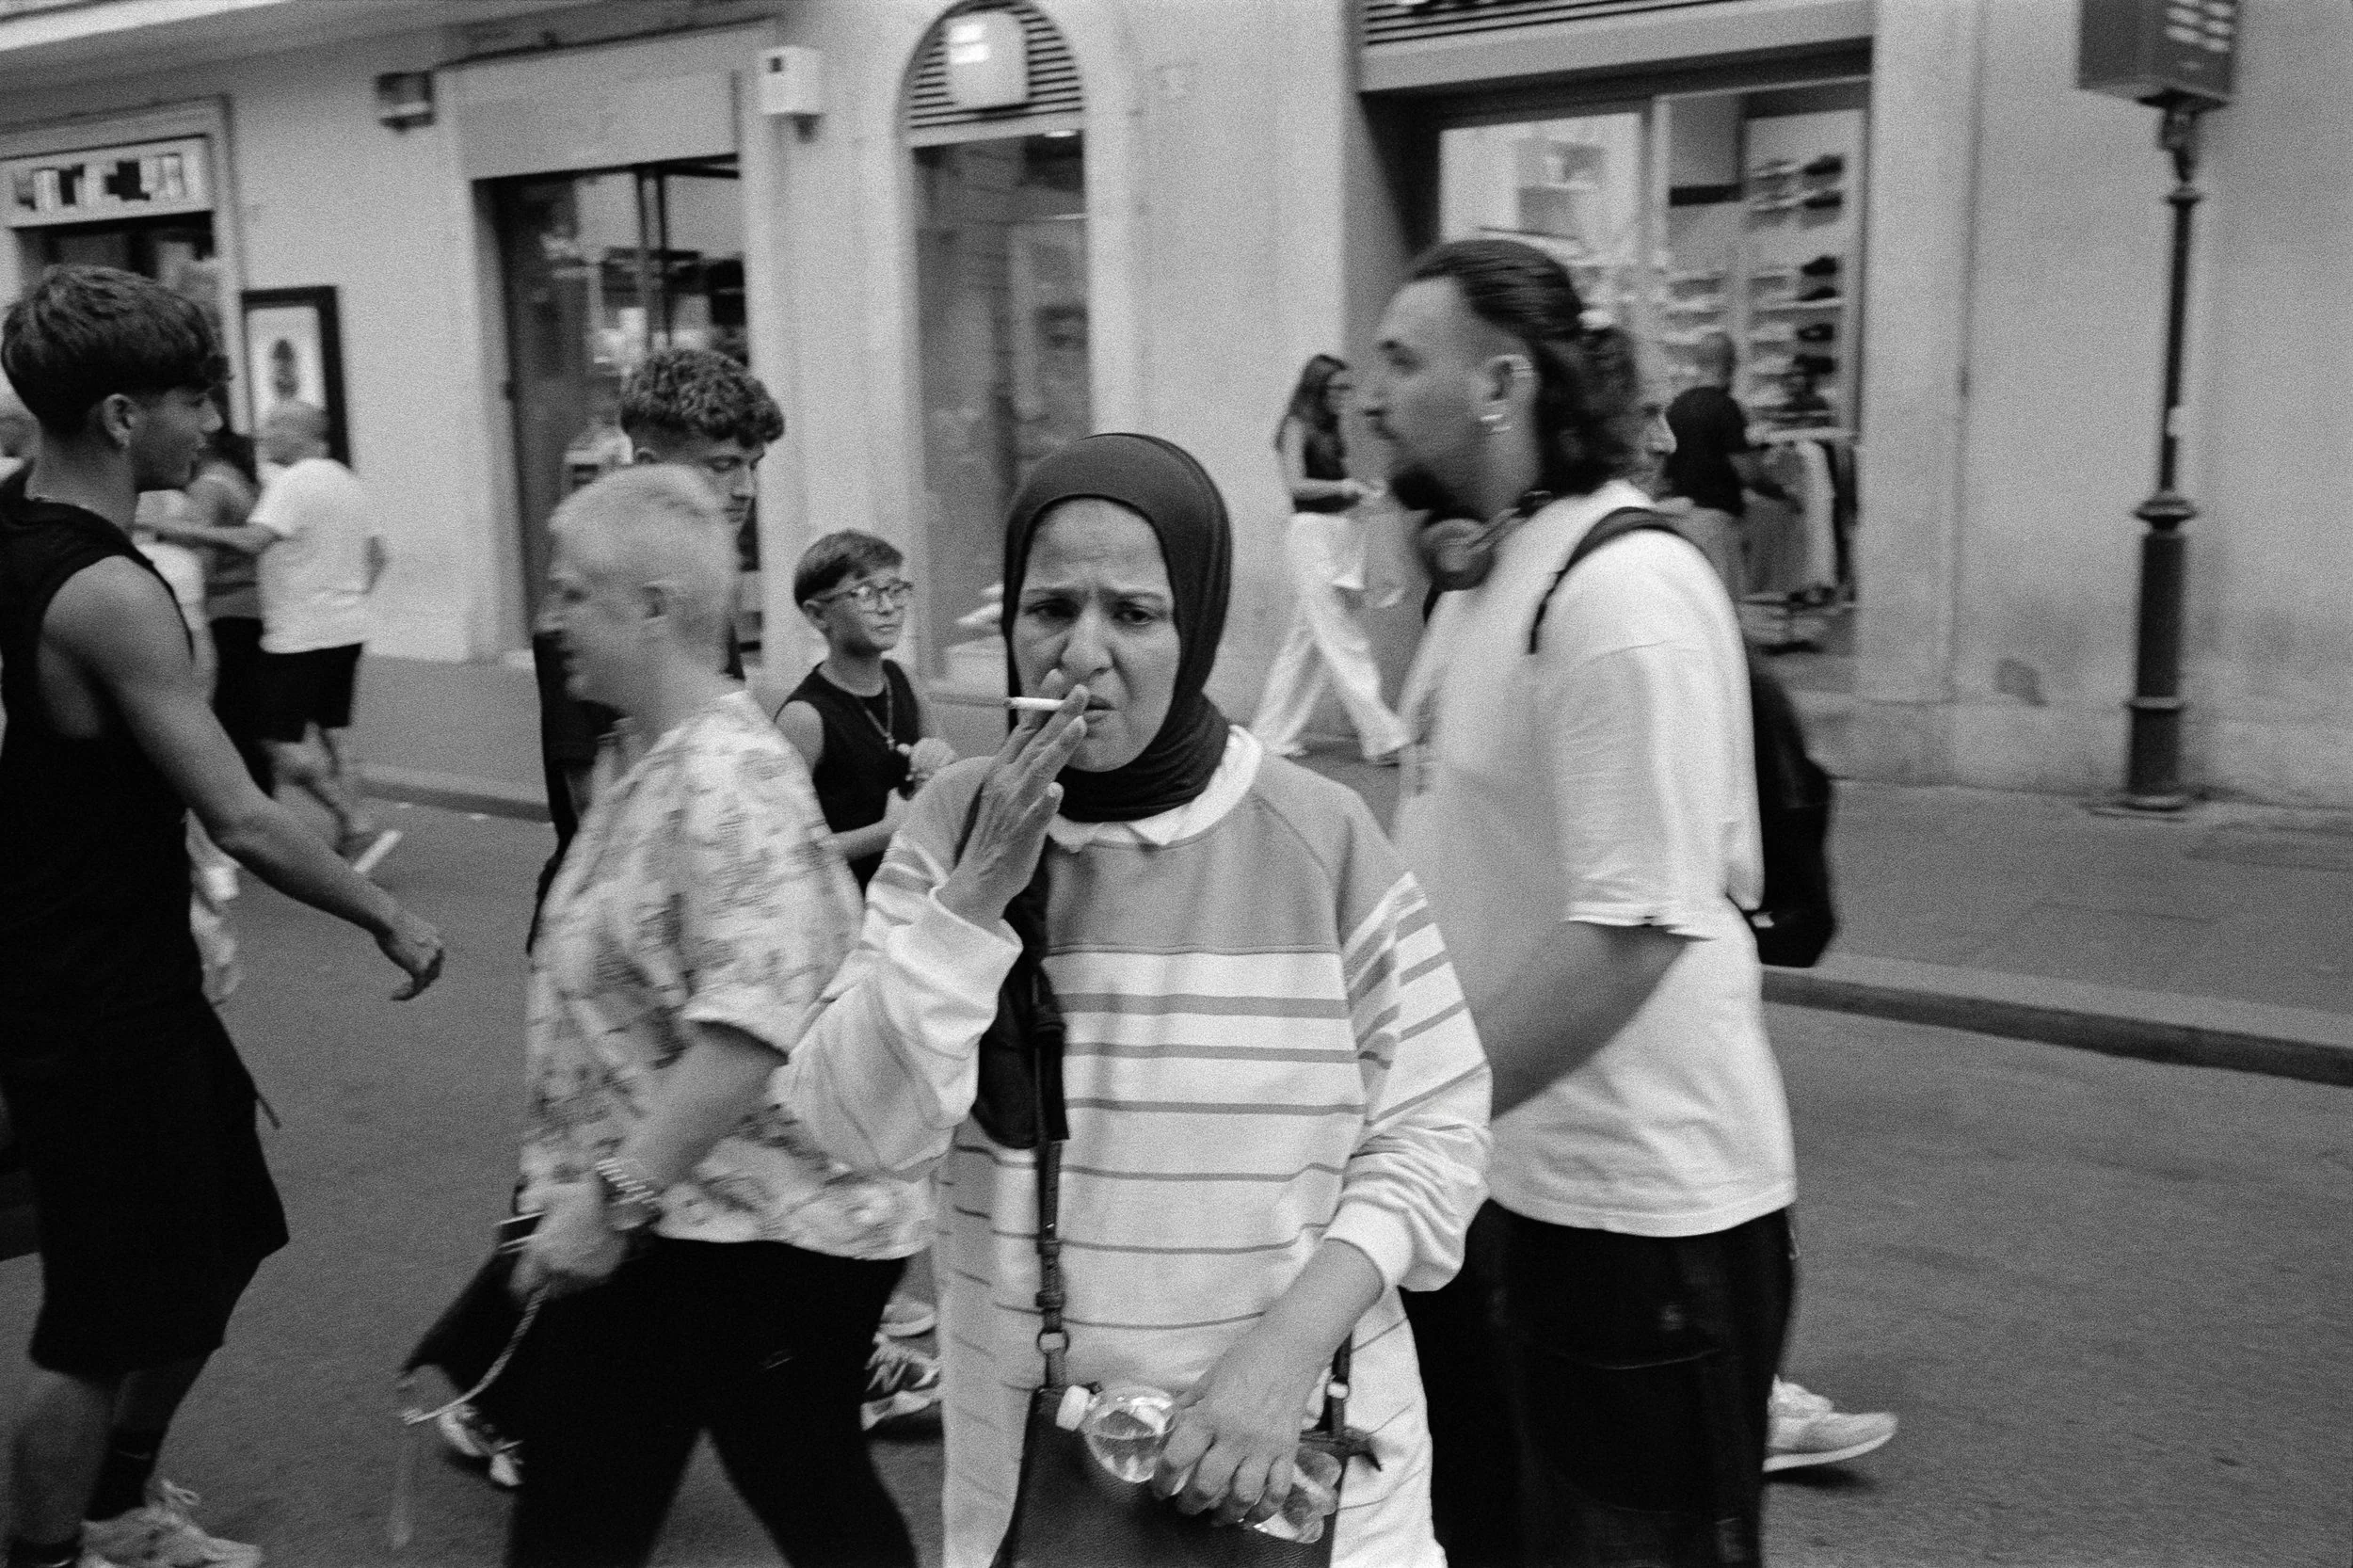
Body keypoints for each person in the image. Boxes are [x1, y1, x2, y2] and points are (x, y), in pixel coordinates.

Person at [774, 432, 1492, 1568]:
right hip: (1041, 1487)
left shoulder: (1318, 837)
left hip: (1303, 1473)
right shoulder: (953, 829)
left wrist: (1281, 1358)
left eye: (1135, 613)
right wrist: (972, 902)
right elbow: (854, 1126)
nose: (1084, 653)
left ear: (1193, 624)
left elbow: (1437, 1135)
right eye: (1050, 607)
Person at [0, 264, 442, 1568]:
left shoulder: (11, 535)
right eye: (200, 400)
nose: (219, 429)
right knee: (97, 1313)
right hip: (94, 996)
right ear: (127, 416)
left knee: (225, 1232)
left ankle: (118, 1503)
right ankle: (49, 1551)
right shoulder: (105, 588)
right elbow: (244, 812)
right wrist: (387, 915)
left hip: (110, 967)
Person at [1363, 237, 1796, 1568]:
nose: (1372, 391)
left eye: (1399, 360)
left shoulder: (1619, 592)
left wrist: (1406, 1112)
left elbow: (1633, 938)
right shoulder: (1497, 569)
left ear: (1500, 382)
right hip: (1509, 1193)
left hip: (1636, 1224)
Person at [505, 466, 923, 1568]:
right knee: (660, 1500)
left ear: (653, 606)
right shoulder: (647, 755)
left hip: (736, 1236)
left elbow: (750, 1021)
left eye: (571, 593)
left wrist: (610, 1202)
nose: (549, 621)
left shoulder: (727, 774)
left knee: (769, 1492)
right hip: (687, 1225)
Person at [246, 401, 397, 872]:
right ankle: (357, 832)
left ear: (298, 432)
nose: (262, 433)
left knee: (275, 741)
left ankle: (353, 821)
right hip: (346, 627)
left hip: (299, 634)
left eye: (272, 424)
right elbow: (379, 554)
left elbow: (252, 541)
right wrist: (348, 596)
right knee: (333, 732)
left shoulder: (292, 483)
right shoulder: (344, 478)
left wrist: (170, 528)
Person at [768, 530, 955, 889]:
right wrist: (888, 831)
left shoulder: (903, 679)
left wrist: (939, 763)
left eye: (896, 590)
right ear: (818, 615)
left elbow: (948, 781)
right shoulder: (805, 717)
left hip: (910, 891)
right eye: (865, 593)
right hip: (846, 908)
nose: (887, 608)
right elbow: (783, 851)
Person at [1248, 354, 1410, 765]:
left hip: (1339, 533)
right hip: (1311, 537)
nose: (1345, 397)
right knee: (1341, 637)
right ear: (1316, 389)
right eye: (1337, 388)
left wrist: (1358, 491)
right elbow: (1296, 484)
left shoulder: (1330, 428)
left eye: (1348, 388)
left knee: (1306, 643)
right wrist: (1346, 486)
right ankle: (1384, 736)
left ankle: (1270, 736)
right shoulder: (1295, 425)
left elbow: (1336, 488)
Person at [1658, 331, 1792, 600]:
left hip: (1678, 521)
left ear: (1698, 363)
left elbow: (1664, 470)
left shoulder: (1676, 407)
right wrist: (1781, 492)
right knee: (1726, 610)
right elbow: (1749, 474)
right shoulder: (1726, 408)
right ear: (1731, 365)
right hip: (1715, 526)